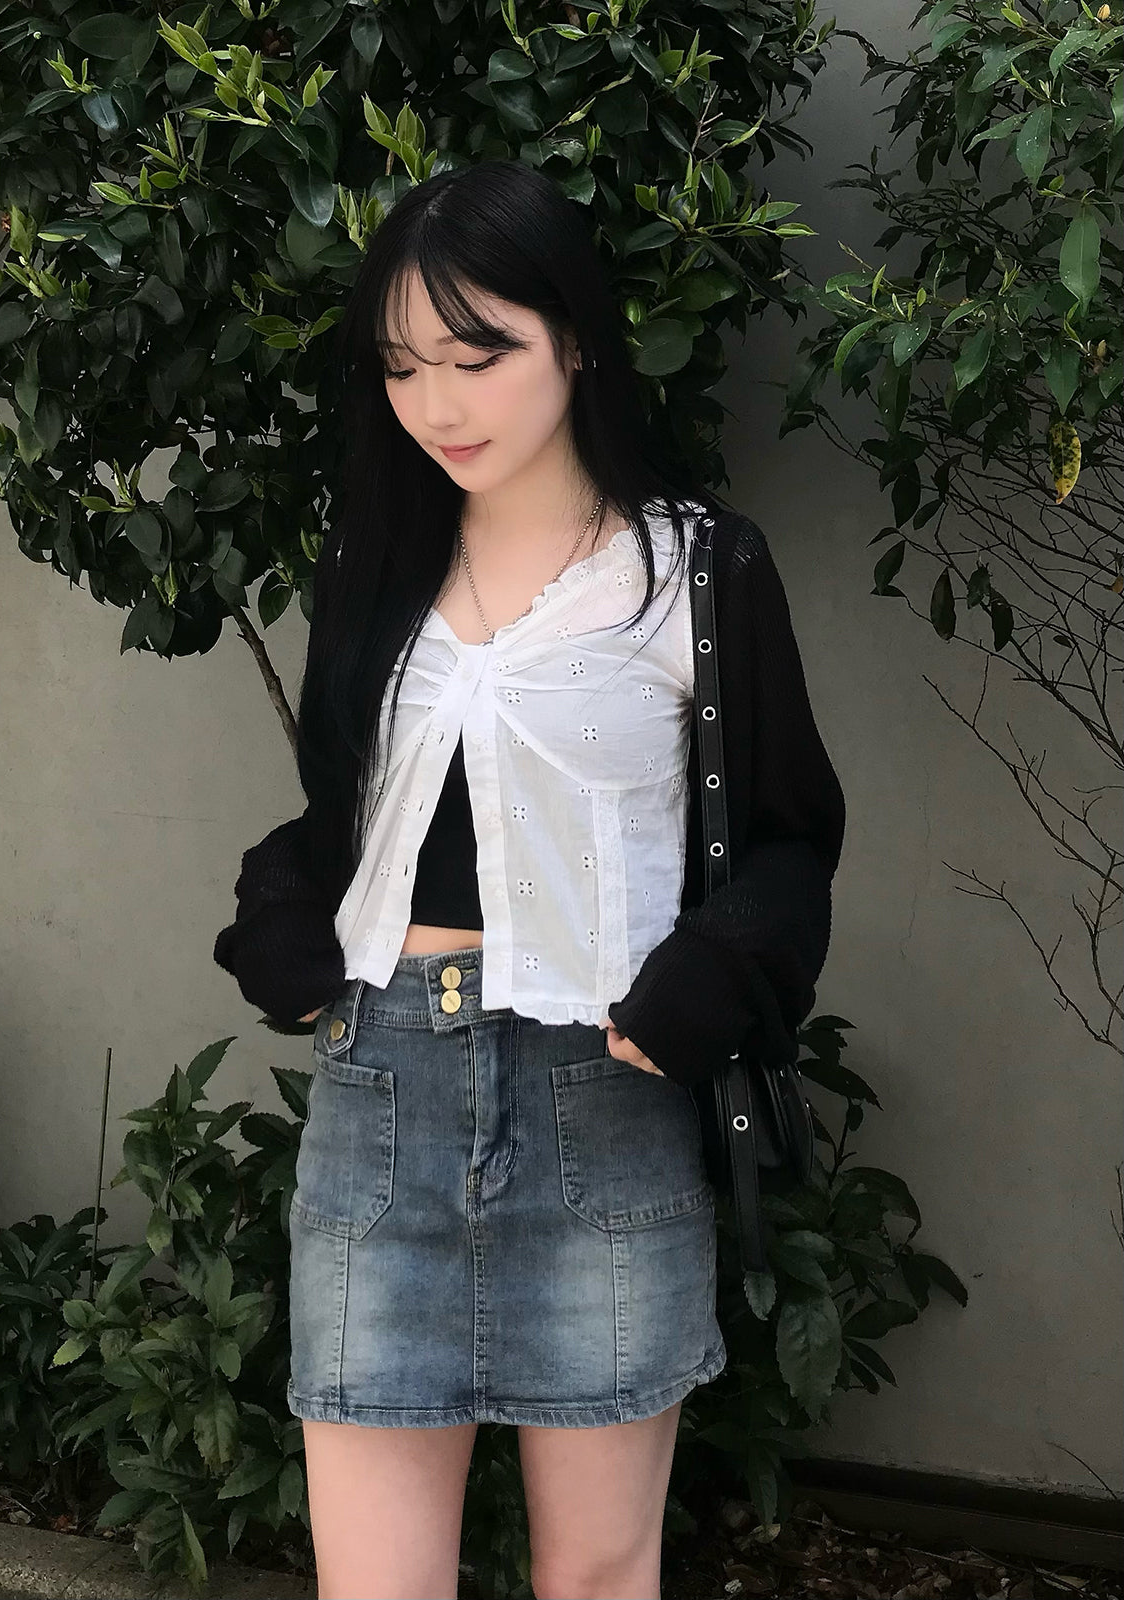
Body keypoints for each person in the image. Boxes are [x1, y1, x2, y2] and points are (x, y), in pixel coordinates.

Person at [213, 158, 846, 1600]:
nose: (438, 403)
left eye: (478, 353)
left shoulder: (694, 571)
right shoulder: (374, 558)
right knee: (373, 1582)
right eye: (402, 366)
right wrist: (283, 928)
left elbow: (790, 834)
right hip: (383, 1095)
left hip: (601, 1097)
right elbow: (344, 816)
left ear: (576, 337)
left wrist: (708, 982)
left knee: (600, 1574)